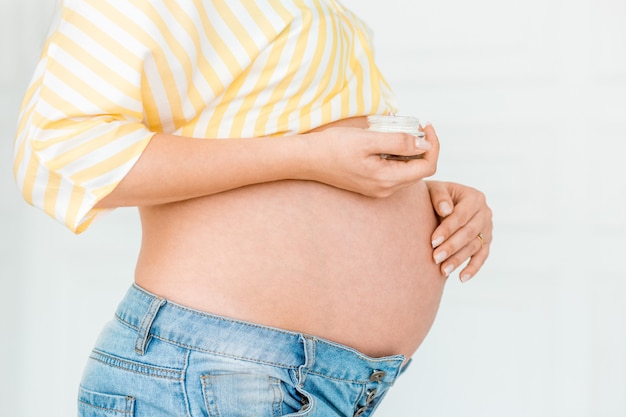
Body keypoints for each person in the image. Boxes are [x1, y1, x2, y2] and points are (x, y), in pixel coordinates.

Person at [13, 0, 492, 416]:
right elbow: (66, 147)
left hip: (343, 384)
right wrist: (310, 159)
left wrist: (423, 199)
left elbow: (287, 131)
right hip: (212, 375)